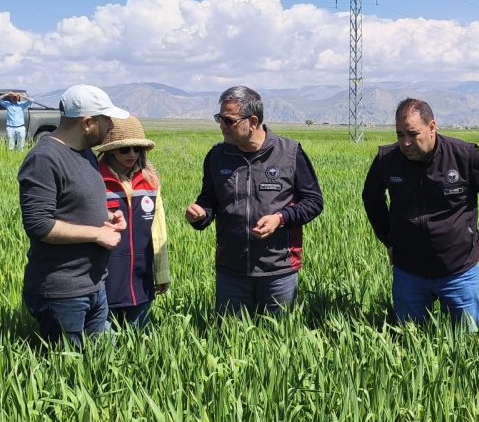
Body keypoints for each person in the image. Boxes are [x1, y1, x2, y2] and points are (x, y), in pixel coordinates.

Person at [362, 98, 479, 331]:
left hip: (458, 270)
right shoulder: (387, 160)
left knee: (465, 344)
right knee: (411, 345)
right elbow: (371, 198)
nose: (406, 143)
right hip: (409, 271)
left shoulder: (463, 156)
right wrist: (388, 240)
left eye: (412, 134)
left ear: (432, 127)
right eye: (400, 135)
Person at [184, 86, 324, 316]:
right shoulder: (217, 156)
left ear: (253, 121)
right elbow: (209, 200)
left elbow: (313, 202)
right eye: (219, 118)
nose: (222, 125)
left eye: (229, 121)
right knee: (230, 340)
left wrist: (280, 219)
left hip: (278, 270)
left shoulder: (289, 153)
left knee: (276, 342)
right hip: (231, 271)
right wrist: (200, 214)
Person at [17, 84, 130, 348]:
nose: (111, 126)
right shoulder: (44, 159)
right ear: (88, 122)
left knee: (101, 368)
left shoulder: (85, 153)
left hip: (93, 284)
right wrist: (97, 234)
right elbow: (39, 225)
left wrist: (109, 216)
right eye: (106, 120)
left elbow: (73, 206)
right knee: (65, 374)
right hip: (62, 291)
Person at [96, 115, 170, 331]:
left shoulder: (149, 181)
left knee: (138, 341)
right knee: (104, 346)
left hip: (142, 277)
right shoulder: (96, 179)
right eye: (124, 149)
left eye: (137, 149)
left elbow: (158, 230)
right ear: (110, 150)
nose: (132, 155)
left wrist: (161, 272)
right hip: (106, 276)